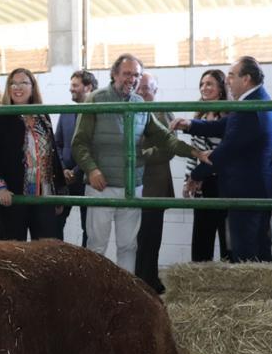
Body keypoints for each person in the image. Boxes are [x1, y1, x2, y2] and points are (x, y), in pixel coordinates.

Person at [72, 54, 201, 273]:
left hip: (133, 185)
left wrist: (193, 152)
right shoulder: (95, 99)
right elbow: (79, 143)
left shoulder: (139, 104)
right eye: (127, 73)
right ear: (114, 74)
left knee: (128, 245)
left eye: (136, 75)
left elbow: (164, 137)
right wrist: (91, 169)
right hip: (101, 186)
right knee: (96, 245)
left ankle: (126, 295)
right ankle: (91, 296)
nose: (131, 79)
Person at [170, 56, 272, 263]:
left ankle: (250, 293)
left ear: (246, 79)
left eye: (231, 75)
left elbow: (227, 150)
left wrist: (195, 174)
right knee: (257, 246)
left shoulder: (250, 108)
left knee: (246, 250)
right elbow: (223, 126)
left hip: (246, 190)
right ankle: (259, 291)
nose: (227, 80)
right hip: (255, 186)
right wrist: (189, 125)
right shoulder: (255, 101)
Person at [0, 68, 65, 241]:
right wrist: (0, 187)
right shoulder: (0, 116)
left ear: (33, 87)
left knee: (46, 249)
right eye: (13, 83)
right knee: (13, 250)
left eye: (23, 83)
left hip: (44, 194)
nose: (17, 87)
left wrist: (59, 191)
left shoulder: (43, 116)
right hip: (13, 196)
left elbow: (53, 154)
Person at [184, 69, 232, 262]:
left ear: (221, 88)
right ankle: (199, 281)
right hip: (201, 183)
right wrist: (189, 178)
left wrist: (198, 175)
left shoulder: (230, 116)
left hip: (223, 182)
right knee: (202, 234)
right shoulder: (199, 116)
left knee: (226, 236)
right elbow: (193, 151)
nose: (204, 88)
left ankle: (228, 280)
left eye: (210, 84)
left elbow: (222, 154)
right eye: (202, 84)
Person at [134, 73, 174, 294]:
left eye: (146, 89)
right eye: (138, 88)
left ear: (155, 91)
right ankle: (144, 279)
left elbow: (168, 149)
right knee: (139, 237)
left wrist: (140, 154)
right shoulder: (134, 110)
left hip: (154, 184)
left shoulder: (161, 111)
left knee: (149, 235)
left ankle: (147, 280)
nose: (141, 92)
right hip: (139, 183)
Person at [54, 69, 97, 245]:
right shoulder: (66, 112)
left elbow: (96, 147)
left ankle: (86, 268)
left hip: (88, 178)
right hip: (65, 179)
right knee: (56, 223)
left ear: (88, 87)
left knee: (89, 228)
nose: (71, 89)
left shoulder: (98, 113)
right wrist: (62, 168)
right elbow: (56, 143)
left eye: (75, 85)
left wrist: (76, 171)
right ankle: (58, 262)